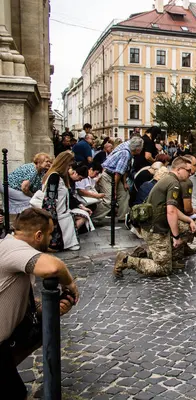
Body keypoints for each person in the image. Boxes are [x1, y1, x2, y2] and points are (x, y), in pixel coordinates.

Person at [0, 208, 79, 400]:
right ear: (38, 235)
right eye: (50, 233)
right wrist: (70, 283)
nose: (51, 239)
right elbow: (53, 267)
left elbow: (22, 305)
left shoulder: (10, 246)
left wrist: (53, 309)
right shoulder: (14, 249)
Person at [113, 157, 196, 277]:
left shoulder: (170, 179)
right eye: (188, 170)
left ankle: (145, 253)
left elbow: (173, 209)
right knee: (163, 268)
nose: (191, 173)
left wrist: (189, 220)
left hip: (155, 224)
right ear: (179, 169)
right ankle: (126, 260)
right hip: (154, 228)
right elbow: (171, 212)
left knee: (184, 230)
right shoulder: (173, 183)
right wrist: (176, 236)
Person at [39, 152, 91, 251]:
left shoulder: (58, 177)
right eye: (69, 166)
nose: (69, 169)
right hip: (59, 215)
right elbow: (50, 199)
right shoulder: (54, 177)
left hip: (63, 214)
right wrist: (52, 220)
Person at [93, 137, 144, 224]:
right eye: (141, 149)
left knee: (124, 193)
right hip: (108, 175)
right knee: (109, 200)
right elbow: (118, 173)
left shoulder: (128, 145)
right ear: (137, 149)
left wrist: (124, 183)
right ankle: (93, 219)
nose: (141, 150)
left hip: (115, 174)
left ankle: (123, 217)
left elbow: (124, 169)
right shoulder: (126, 153)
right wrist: (115, 190)